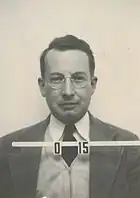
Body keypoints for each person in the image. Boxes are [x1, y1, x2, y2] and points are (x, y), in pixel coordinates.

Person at [0, 35, 140, 198]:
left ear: (93, 85)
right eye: (57, 79)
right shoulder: (6, 149)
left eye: (78, 78)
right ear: (42, 86)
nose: (68, 91)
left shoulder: (128, 148)